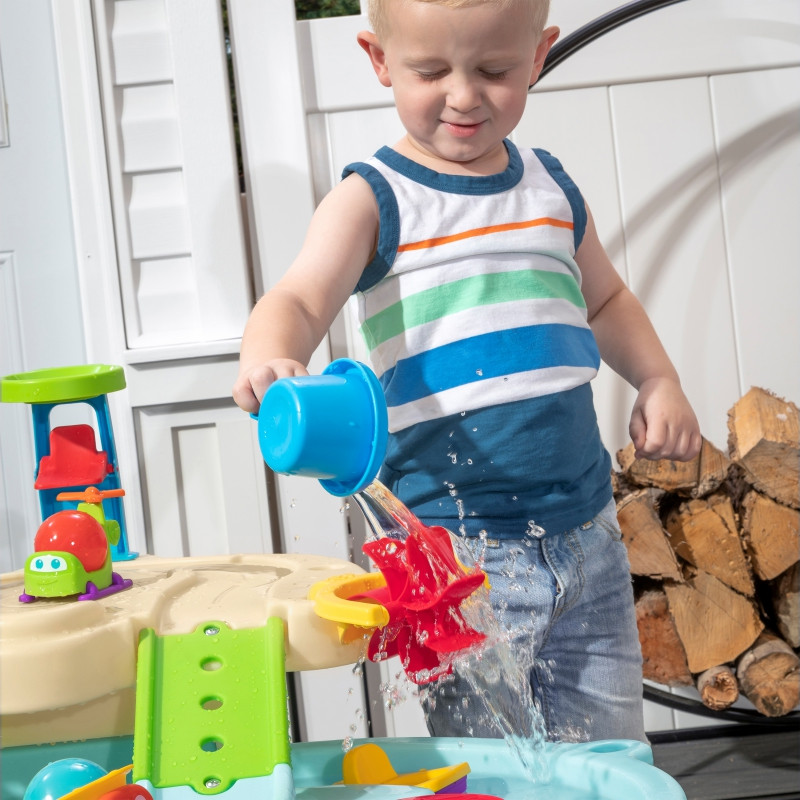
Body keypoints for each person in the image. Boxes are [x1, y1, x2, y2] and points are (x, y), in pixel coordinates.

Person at [233, 0, 702, 743]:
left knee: (610, 756)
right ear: (380, 61)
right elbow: (296, 297)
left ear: (538, 55)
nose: (462, 95)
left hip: (588, 537)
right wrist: (269, 356)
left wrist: (658, 377)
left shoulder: (549, 186)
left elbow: (607, 300)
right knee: (495, 768)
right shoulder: (374, 199)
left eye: (493, 69)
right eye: (430, 71)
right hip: (459, 555)